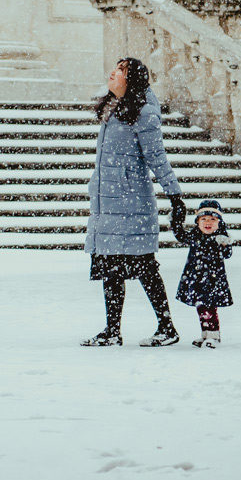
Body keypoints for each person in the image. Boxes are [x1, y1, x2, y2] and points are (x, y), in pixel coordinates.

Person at [81, 57, 186, 348]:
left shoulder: (143, 113)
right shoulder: (113, 108)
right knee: (110, 267)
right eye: (115, 67)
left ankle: (167, 327)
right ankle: (111, 330)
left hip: (131, 204)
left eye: (122, 70)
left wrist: (175, 195)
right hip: (107, 203)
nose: (114, 72)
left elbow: (157, 158)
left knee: (144, 266)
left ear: (133, 79)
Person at [170, 198, 235, 349]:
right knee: (201, 307)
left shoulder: (219, 238)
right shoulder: (195, 236)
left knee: (210, 307)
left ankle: (214, 335)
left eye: (213, 219)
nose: (208, 222)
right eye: (204, 219)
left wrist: (225, 243)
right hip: (196, 278)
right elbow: (180, 235)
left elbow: (227, 254)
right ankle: (205, 333)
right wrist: (175, 221)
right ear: (198, 221)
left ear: (219, 222)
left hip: (213, 280)